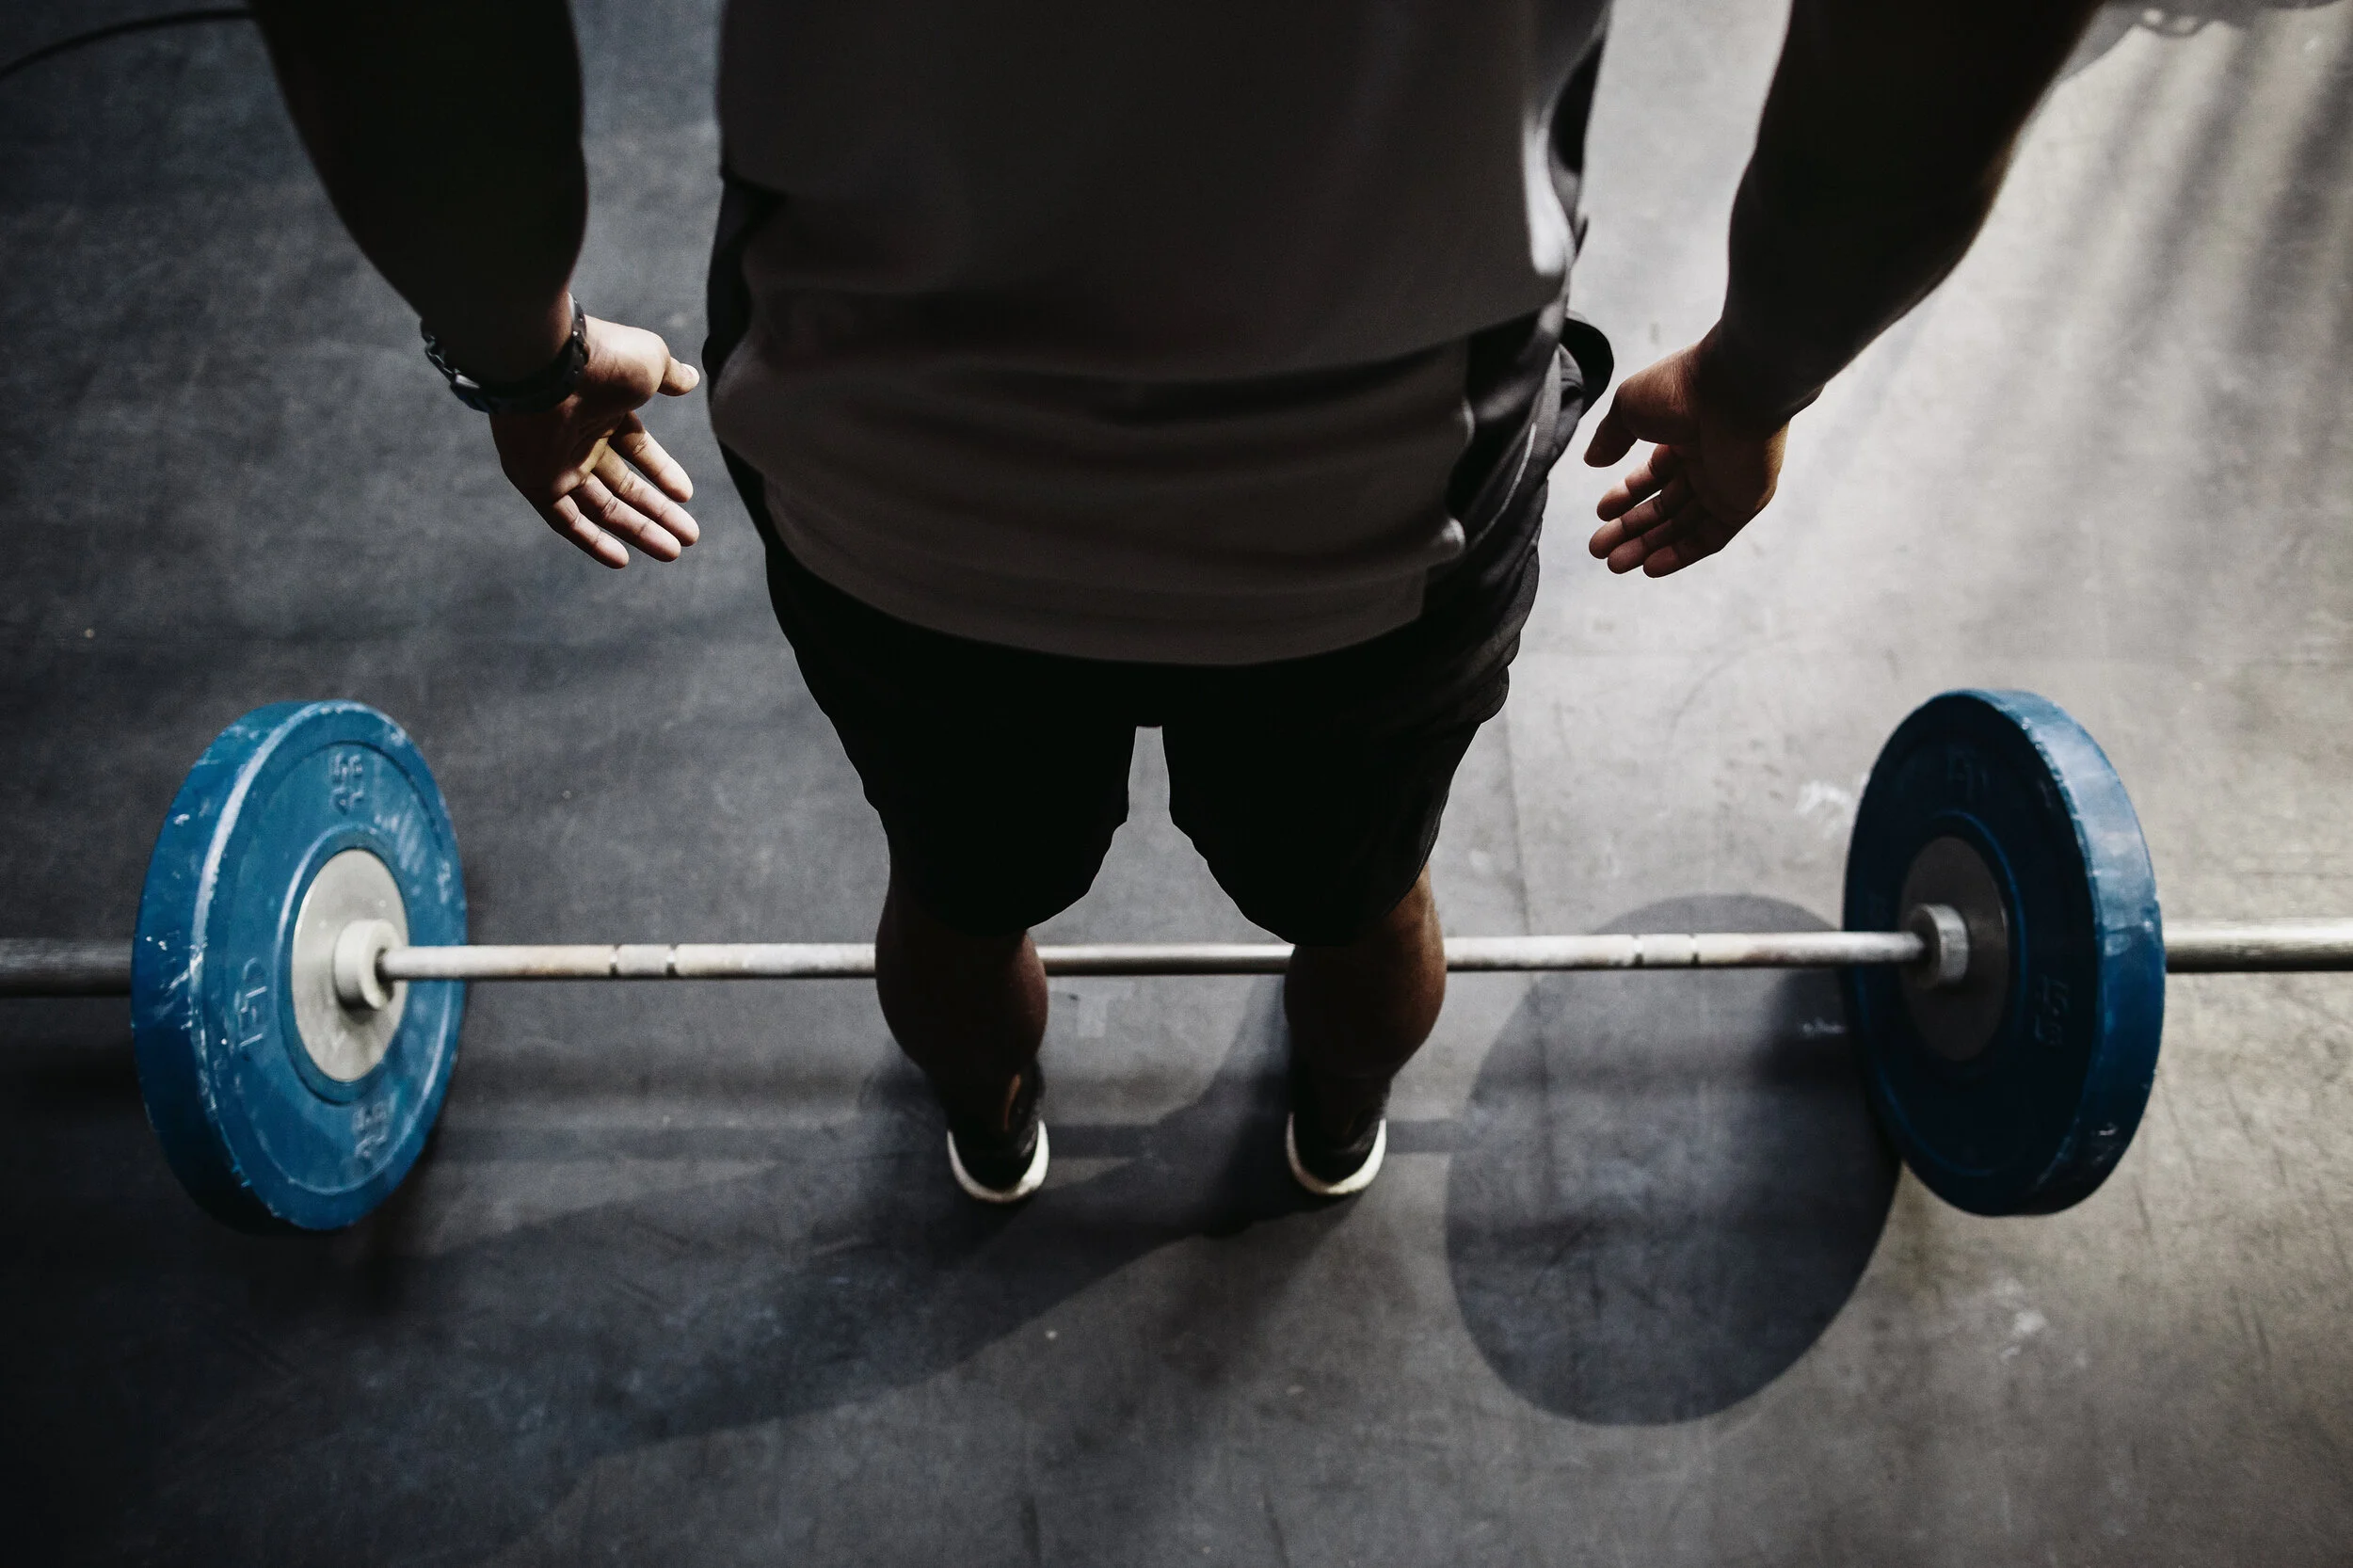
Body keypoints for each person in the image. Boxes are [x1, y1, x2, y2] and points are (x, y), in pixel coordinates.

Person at [250, 0, 2101, 1203]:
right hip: (1374, 501)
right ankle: (1331, 1131)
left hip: (892, 486)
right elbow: (1932, 52)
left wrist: (523, 355)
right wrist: (1759, 370)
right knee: (1362, 891)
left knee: (956, 884)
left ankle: (993, 1132)